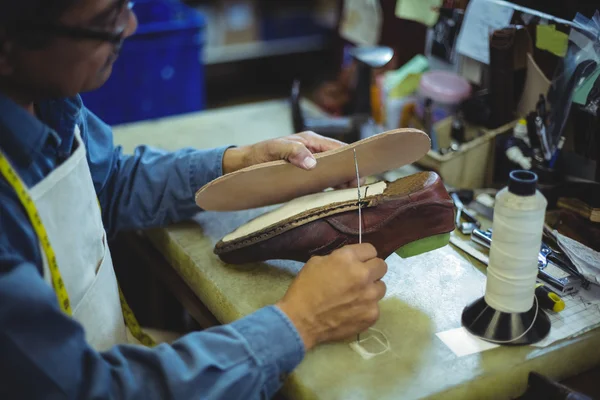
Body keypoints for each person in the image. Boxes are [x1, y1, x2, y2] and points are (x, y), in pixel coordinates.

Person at [0, 1, 388, 399]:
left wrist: (241, 164)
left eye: (125, 6)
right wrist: (301, 320)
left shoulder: (47, 100)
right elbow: (96, 391)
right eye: (105, 21)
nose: (131, 26)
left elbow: (108, 183)